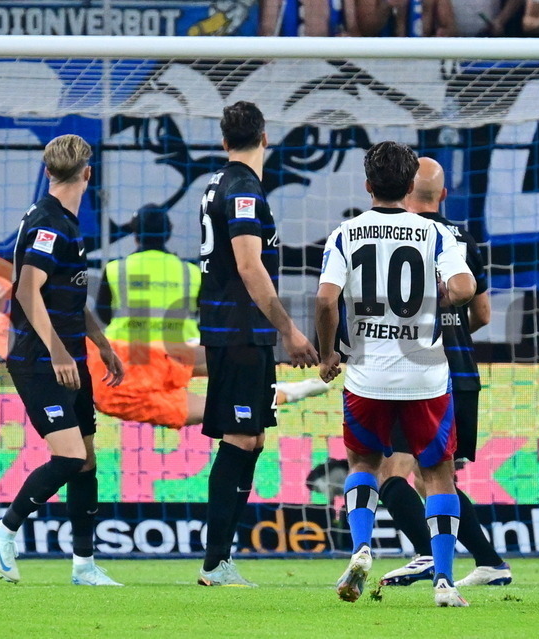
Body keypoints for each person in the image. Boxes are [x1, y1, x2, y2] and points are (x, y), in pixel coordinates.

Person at [0, 204, 328, 428]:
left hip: (116, 369)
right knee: (222, 401)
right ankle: (290, 383)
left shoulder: (29, 296)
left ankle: (288, 377)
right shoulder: (5, 329)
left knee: (222, 394)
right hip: (131, 366)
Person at [0, 134, 125, 586]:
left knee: (86, 459)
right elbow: (28, 290)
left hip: (69, 356)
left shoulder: (66, 222)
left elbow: (67, 295)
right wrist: (56, 350)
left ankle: (84, 566)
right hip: (40, 359)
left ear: (47, 170)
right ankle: (3, 531)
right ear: (87, 174)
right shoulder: (50, 224)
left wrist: (101, 342)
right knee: (68, 456)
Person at [316, 141, 476, 607]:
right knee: (439, 475)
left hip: (366, 376)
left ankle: (362, 547)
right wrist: (443, 298)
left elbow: (326, 300)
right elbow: (465, 287)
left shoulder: (346, 234)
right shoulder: (434, 235)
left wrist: (329, 355)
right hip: (425, 377)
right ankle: (444, 582)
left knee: (364, 464)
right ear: (410, 187)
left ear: (368, 186)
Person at [197, 101, 319, 587]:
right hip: (240, 332)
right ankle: (214, 564)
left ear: (225, 141)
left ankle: (221, 559)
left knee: (254, 439)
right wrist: (288, 329)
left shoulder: (215, 185)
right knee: (241, 437)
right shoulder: (244, 190)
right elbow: (250, 266)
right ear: (264, 138)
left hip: (235, 330)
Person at [377, 158, 512, 589]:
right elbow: (484, 314)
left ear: (401, 189)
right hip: (463, 371)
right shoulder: (464, 239)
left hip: (419, 370)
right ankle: (490, 562)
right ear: (444, 195)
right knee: (437, 477)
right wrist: (448, 330)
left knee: (393, 473)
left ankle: (425, 555)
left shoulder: (398, 236)